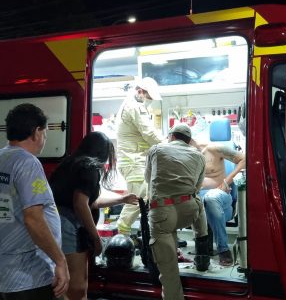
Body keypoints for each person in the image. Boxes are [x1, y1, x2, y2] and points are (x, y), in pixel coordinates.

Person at [49, 131, 139, 300]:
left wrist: (123, 199)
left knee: (62, 283)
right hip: (68, 226)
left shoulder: (69, 164)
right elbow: (80, 203)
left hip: (53, 223)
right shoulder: (90, 168)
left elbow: (91, 200)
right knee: (78, 287)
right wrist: (95, 237)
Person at [0, 103, 70, 300]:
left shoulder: (2, 158)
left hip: (6, 274)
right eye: (45, 132)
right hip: (30, 275)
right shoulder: (27, 162)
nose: (45, 138)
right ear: (36, 132)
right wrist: (60, 261)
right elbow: (33, 219)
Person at [145, 123, 210, 300]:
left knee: (169, 271)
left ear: (172, 136)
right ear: (188, 141)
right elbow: (197, 186)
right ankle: (202, 245)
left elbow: (147, 178)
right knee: (198, 199)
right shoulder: (198, 155)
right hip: (188, 212)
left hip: (163, 214)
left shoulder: (156, 150)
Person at [115, 77, 164, 236]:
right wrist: (169, 145)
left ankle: (129, 237)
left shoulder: (128, 105)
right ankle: (121, 240)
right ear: (140, 91)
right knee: (137, 200)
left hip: (135, 161)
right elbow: (149, 133)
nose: (148, 101)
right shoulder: (135, 106)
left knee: (143, 199)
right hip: (134, 161)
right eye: (148, 98)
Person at [192, 138, 246, 266]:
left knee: (210, 198)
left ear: (191, 141)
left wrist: (227, 181)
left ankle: (223, 249)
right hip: (196, 197)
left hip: (219, 196)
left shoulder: (214, 148)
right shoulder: (185, 155)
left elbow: (244, 159)